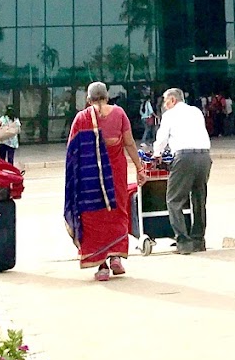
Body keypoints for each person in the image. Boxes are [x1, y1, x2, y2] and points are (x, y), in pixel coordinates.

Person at [63, 81, 145, 282]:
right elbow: (129, 143)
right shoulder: (119, 114)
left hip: (90, 180)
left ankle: (101, 266)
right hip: (116, 174)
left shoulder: (81, 118)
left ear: (88, 100)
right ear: (107, 97)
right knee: (117, 213)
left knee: (94, 217)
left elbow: (72, 152)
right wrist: (139, 167)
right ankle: (116, 258)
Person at [152, 86, 213, 253]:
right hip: (204, 157)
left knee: (174, 200)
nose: (164, 105)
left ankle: (183, 242)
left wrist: (156, 154)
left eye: (165, 102)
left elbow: (161, 139)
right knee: (199, 199)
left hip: (184, 157)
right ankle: (199, 240)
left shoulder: (169, 115)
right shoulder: (196, 111)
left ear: (172, 100)